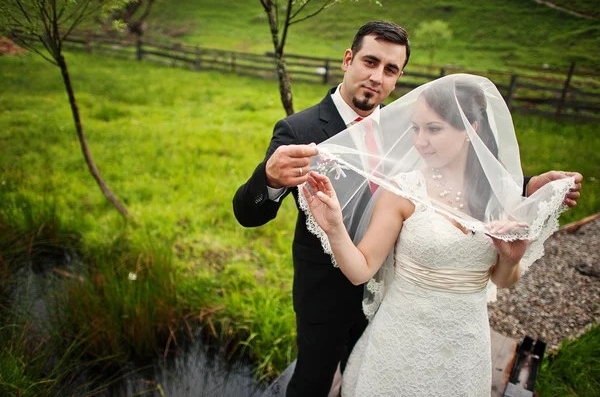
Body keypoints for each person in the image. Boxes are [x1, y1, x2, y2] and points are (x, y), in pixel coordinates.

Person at [233, 21, 582, 396]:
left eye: (390, 70)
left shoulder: (406, 128)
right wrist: (269, 179)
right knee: (313, 380)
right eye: (370, 62)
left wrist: (526, 186)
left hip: (401, 291)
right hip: (329, 289)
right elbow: (248, 215)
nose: (377, 77)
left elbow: (458, 174)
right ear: (348, 59)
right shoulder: (299, 129)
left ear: (398, 77)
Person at [299, 74, 578, 396]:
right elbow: (361, 270)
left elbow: (503, 280)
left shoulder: (501, 194)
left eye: (434, 129)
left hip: (465, 344)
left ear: (470, 128)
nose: (420, 141)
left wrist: (510, 259)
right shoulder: (405, 190)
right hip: (402, 340)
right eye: (416, 128)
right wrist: (334, 226)